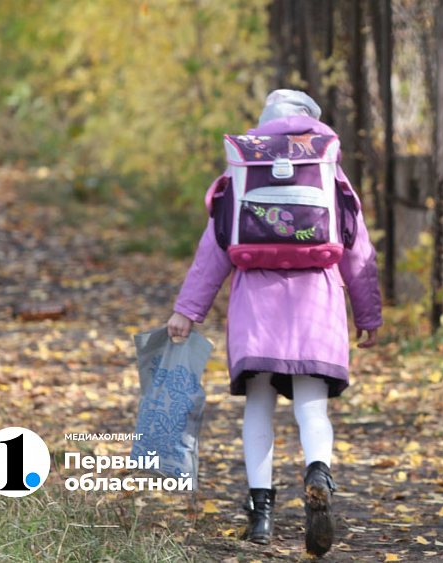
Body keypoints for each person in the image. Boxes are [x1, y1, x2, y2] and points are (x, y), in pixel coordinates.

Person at [167, 90, 383, 557]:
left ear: (265, 123)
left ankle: (260, 514)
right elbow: (356, 245)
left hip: (255, 304)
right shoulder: (327, 166)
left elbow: (215, 247)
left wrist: (187, 311)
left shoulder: (243, 167)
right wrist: (368, 315)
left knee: (259, 406)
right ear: (311, 121)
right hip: (316, 302)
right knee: (312, 408)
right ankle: (318, 472)